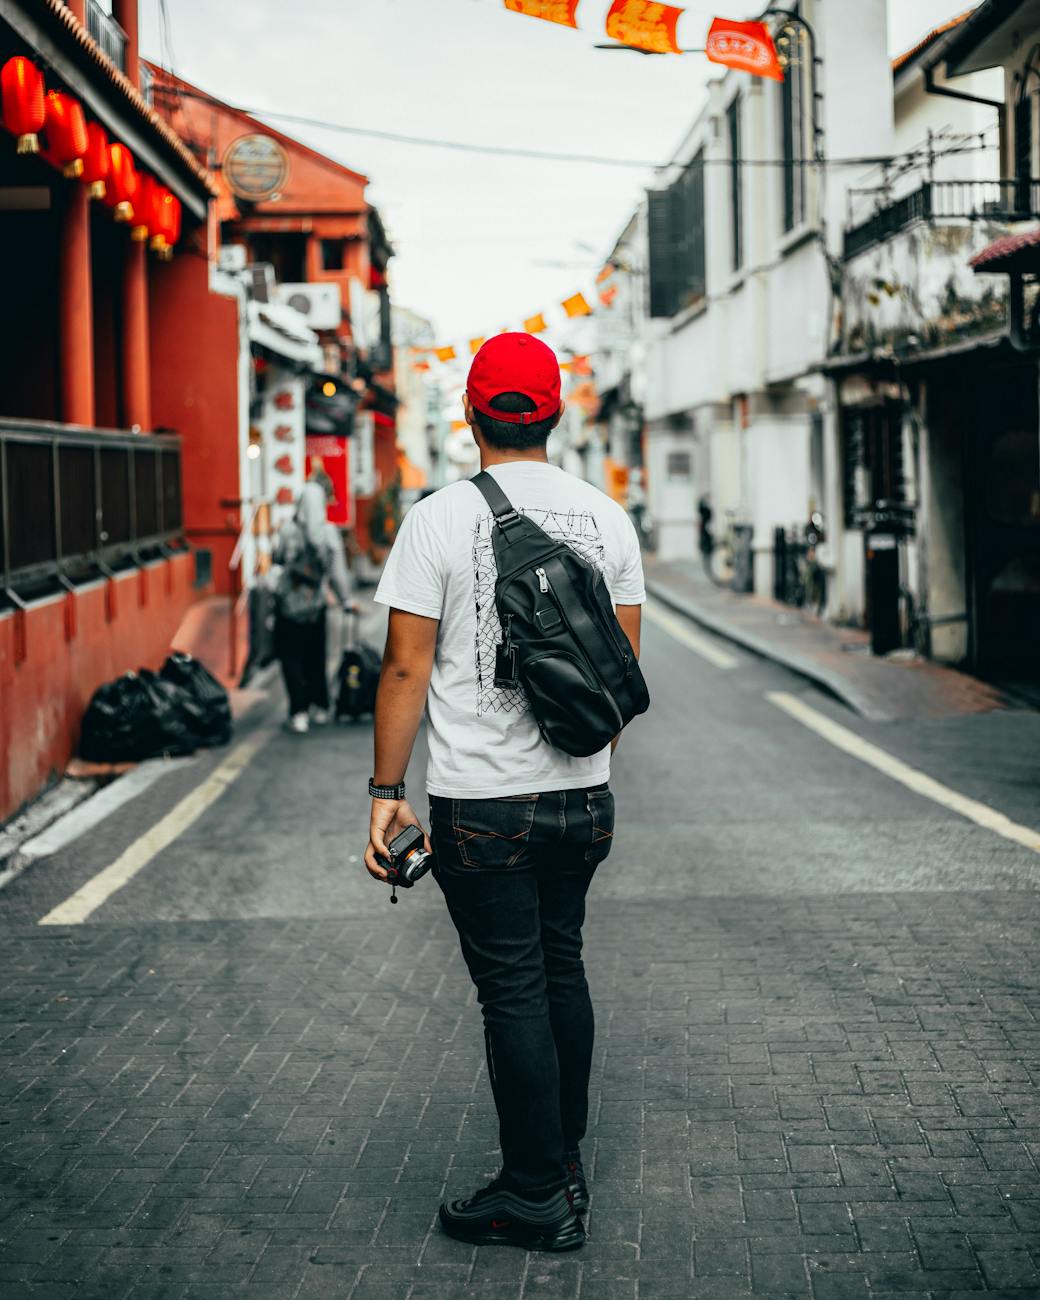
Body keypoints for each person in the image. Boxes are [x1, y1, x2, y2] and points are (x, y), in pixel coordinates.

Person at [364, 334, 646, 1252]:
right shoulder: (607, 519)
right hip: (584, 793)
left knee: (514, 988)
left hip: (482, 802)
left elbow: (406, 670)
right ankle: (559, 1162)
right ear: (557, 415)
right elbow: (622, 668)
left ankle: (531, 1190)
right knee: (559, 964)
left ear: (471, 416)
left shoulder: (438, 519)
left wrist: (384, 792)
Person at [272, 469, 352, 733]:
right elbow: (338, 572)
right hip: (316, 606)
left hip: (288, 606)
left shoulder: (288, 530)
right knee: (316, 655)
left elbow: (279, 559)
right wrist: (346, 600)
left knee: (291, 658)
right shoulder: (329, 533)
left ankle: (298, 712)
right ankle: (320, 706)